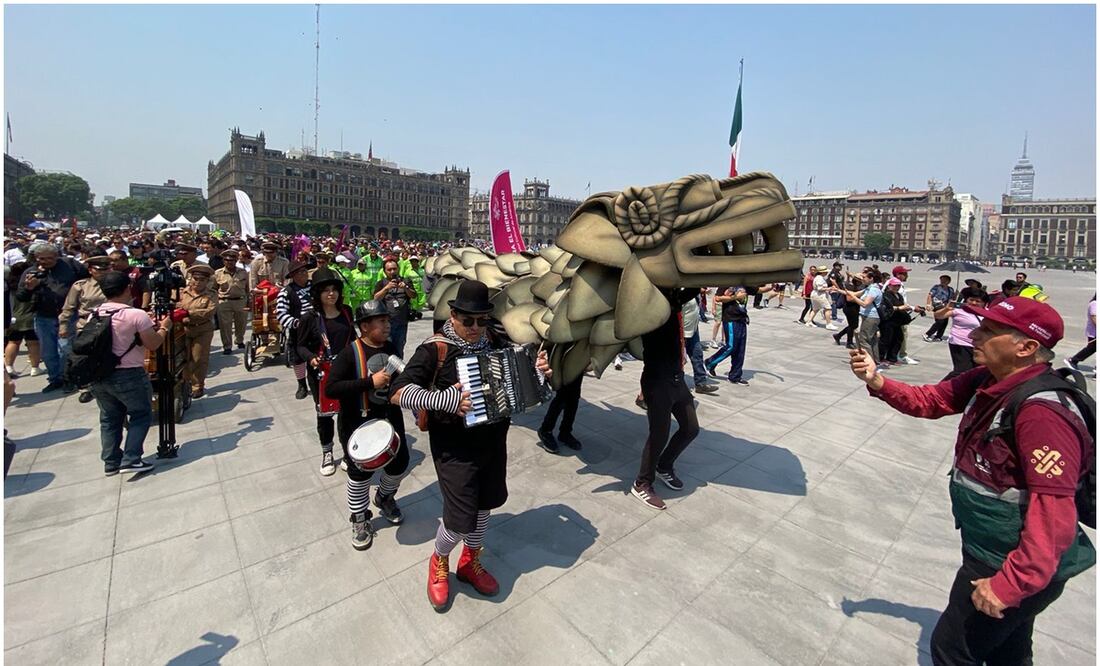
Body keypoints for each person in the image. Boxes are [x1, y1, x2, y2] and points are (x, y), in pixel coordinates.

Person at [848, 297, 1094, 666]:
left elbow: (1054, 513)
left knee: (952, 650)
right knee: (1008, 652)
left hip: (1008, 562)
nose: (975, 334)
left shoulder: (1042, 412)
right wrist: (877, 380)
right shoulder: (990, 380)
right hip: (989, 548)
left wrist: (1011, 583)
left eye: (990, 331)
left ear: (1026, 348)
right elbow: (932, 399)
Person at [390, 280, 550, 612]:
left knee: (484, 506)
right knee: (458, 518)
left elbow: (521, 383)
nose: (476, 328)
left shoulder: (494, 338)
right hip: (454, 447)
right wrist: (440, 399)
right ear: (454, 314)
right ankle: (440, 559)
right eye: (468, 321)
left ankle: (469, 561)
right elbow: (398, 392)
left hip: (492, 440)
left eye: (481, 320)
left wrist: (538, 374)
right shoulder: (435, 349)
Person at [324, 300, 410, 550]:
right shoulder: (350, 353)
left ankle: (384, 497)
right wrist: (368, 382)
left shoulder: (391, 347)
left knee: (400, 464)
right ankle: (360, 519)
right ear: (364, 326)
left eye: (387, 320)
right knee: (359, 475)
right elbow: (331, 389)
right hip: (357, 423)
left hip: (390, 419)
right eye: (381, 321)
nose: (387, 325)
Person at [89, 271, 174, 475]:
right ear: (127, 288)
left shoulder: (95, 313)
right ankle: (131, 458)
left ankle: (111, 462)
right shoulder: (136, 314)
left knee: (109, 418)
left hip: (99, 375)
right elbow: (153, 344)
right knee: (140, 413)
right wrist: (164, 328)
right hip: (129, 374)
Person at [632, 288, 702, 510]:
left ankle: (664, 465)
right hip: (657, 380)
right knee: (659, 434)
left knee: (690, 428)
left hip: (676, 378)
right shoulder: (648, 310)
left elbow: (691, 289)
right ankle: (642, 483)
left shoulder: (673, 301)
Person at [296, 268, 356, 476]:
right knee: (325, 415)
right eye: (326, 290)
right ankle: (327, 452)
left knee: (347, 414)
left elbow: (354, 339)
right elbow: (300, 346)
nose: (331, 294)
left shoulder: (347, 312)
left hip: (346, 370)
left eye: (334, 289)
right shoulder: (310, 318)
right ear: (317, 294)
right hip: (322, 372)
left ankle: (349, 452)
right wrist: (311, 358)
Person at [14, 242, 88, 393]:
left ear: (56, 256)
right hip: (43, 317)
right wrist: (30, 288)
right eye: (41, 259)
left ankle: (69, 378)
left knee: (65, 349)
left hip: (68, 316)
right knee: (48, 352)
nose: (45, 261)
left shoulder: (70, 265)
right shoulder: (31, 272)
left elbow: (87, 280)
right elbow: (21, 297)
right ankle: (55, 379)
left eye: (49, 258)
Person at [60, 255, 112, 403]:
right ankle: (86, 388)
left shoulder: (116, 283)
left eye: (107, 268)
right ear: (90, 270)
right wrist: (63, 325)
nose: (104, 272)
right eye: (100, 269)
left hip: (111, 322)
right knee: (85, 358)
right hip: (87, 324)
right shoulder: (81, 285)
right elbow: (69, 307)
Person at [177, 265, 219, 399]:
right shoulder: (182, 293)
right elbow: (175, 308)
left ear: (207, 281)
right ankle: (185, 383)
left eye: (202, 280)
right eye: (195, 279)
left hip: (202, 329)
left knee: (198, 358)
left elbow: (208, 312)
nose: (197, 282)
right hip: (183, 330)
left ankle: (197, 386)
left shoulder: (211, 294)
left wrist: (187, 313)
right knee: (183, 358)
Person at [275, 261, 313, 400]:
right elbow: (281, 314)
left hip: (317, 328)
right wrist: (297, 323)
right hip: (299, 330)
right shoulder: (286, 291)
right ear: (293, 275)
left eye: (305, 271)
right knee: (298, 359)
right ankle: (302, 385)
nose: (304, 274)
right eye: (300, 272)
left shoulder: (314, 287)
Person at [935, 287, 989, 380]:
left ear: (984, 303)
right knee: (961, 371)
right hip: (959, 343)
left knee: (978, 371)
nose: (974, 303)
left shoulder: (988, 312)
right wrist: (946, 309)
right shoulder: (959, 310)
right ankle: (940, 389)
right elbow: (938, 316)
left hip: (978, 345)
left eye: (978, 301)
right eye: (971, 300)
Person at [4, 262, 42, 377]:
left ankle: (9, 366)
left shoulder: (9, 288)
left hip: (15, 317)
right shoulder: (28, 286)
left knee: (13, 342)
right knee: (33, 343)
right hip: (29, 317)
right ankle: (35, 368)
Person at [705, 286, 751, 385]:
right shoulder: (727, 282)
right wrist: (735, 297)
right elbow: (718, 298)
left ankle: (735, 376)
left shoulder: (746, 282)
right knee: (731, 346)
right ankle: (710, 362)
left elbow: (759, 289)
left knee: (740, 350)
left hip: (742, 321)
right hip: (731, 320)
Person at [373, 259, 415, 357]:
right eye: (389, 269)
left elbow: (413, 295)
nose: (392, 272)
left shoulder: (406, 280)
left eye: (394, 269)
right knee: (386, 348)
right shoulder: (381, 283)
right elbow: (375, 298)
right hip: (386, 323)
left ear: (398, 269)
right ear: (384, 271)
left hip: (402, 322)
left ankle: (398, 370)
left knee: (399, 348)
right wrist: (386, 288)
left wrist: (406, 288)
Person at [213, 249, 249, 355]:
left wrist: (249, 301)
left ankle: (239, 340)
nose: (230, 262)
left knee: (241, 323)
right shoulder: (218, 273)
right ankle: (227, 346)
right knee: (225, 325)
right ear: (224, 261)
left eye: (232, 260)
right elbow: (214, 289)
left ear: (236, 260)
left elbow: (247, 288)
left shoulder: (243, 272)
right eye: (227, 260)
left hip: (240, 300)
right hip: (224, 302)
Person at [682, 296, 719, 394]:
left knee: (697, 355)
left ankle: (701, 383)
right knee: (679, 360)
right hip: (682, 331)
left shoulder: (694, 293)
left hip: (693, 329)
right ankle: (677, 386)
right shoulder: (681, 291)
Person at [1064, 294, 1096, 377]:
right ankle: (1073, 360)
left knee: (1092, 348)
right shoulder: (1094, 304)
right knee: (1091, 348)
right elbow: (1094, 318)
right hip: (1094, 332)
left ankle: (1074, 360)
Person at [832, 272, 865, 350]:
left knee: (854, 325)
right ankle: (849, 342)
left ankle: (838, 335)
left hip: (855, 308)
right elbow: (849, 299)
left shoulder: (857, 287)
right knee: (852, 325)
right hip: (849, 308)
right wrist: (860, 300)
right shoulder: (850, 286)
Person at [923, 275, 956, 342]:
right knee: (940, 321)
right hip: (938, 306)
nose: (943, 281)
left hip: (946, 307)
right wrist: (928, 304)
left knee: (945, 322)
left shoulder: (951, 289)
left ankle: (938, 336)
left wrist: (956, 295)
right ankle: (927, 334)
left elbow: (952, 299)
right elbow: (930, 295)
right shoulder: (936, 287)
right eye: (942, 280)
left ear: (949, 281)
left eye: (945, 280)